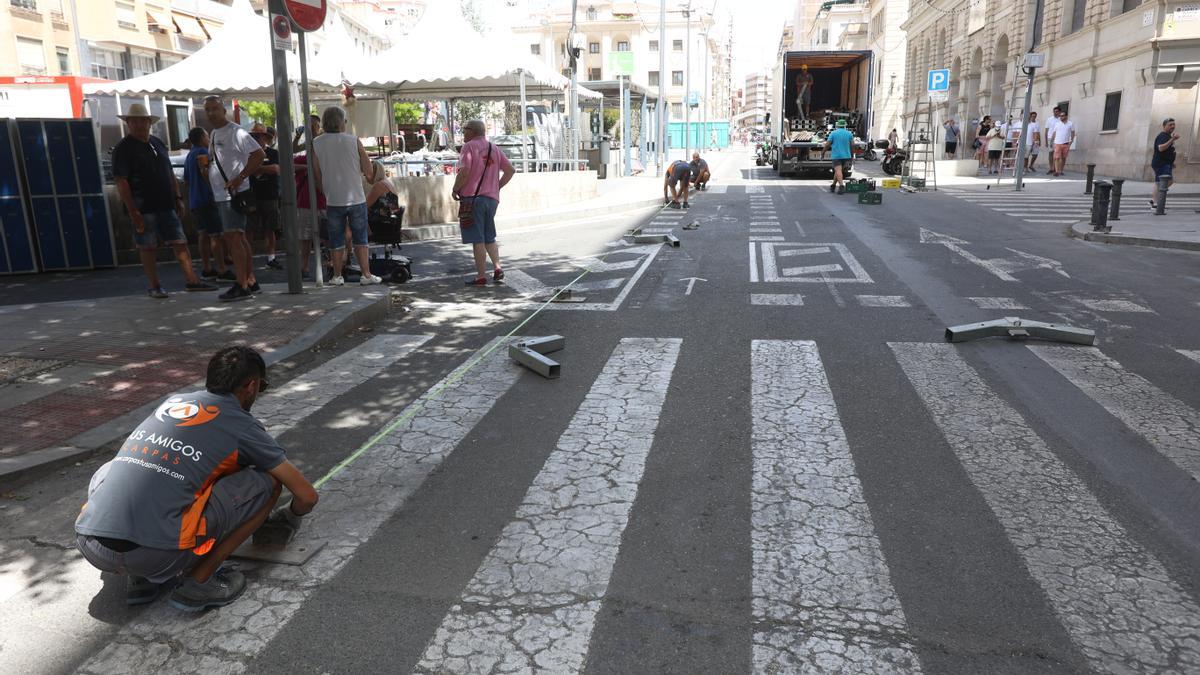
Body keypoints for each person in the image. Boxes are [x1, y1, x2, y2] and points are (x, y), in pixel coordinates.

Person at [75, 346, 319, 611]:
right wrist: (287, 518)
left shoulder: (174, 403)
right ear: (250, 385)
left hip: (91, 545)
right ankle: (199, 582)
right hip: (156, 554)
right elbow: (306, 495)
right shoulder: (241, 424)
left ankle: (141, 580)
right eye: (262, 387)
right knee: (268, 482)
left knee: (123, 469)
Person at [111, 104, 215, 299]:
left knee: (180, 241)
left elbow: (169, 173)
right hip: (142, 206)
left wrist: (177, 196)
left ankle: (192, 280)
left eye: (143, 120)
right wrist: (133, 210)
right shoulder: (123, 148)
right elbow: (121, 181)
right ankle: (155, 285)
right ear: (128, 123)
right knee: (147, 246)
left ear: (149, 123)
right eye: (134, 121)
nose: (139, 124)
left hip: (166, 203)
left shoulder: (158, 143)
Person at [311, 106, 383, 286]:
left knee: (335, 239)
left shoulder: (317, 143)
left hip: (333, 199)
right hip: (356, 197)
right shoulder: (353, 140)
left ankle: (337, 276)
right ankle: (366, 274)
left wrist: (325, 190)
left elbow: (317, 173)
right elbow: (368, 170)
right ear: (341, 122)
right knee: (360, 238)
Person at [204, 95, 263, 302]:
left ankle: (242, 284)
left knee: (234, 237)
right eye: (207, 110)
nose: (210, 113)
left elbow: (258, 154)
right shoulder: (213, 133)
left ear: (223, 110)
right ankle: (249, 279)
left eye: (214, 109)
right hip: (223, 193)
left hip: (233, 193)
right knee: (238, 236)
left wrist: (241, 177)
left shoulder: (235, 131)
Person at [452, 119, 515, 286]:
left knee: (477, 238)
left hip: (473, 199)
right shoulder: (493, 148)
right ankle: (497, 267)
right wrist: (496, 187)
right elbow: (510, 170)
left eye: (465, 129)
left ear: (472, 131)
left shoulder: (469, 147)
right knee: (489, 236)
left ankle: (481, 276)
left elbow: (464, 171)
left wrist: (455, 189)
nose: (463, 132)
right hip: (491, 199)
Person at [183, 128, 232, 283]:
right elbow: (208, 175)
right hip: (208, 199)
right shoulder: (204, 153)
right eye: (207, 135)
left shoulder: (190, 155)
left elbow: (186, 180)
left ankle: (207, 268)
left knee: (203, 235)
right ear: (203, 137)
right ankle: (222, 269)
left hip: (195, 200)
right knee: (215, 235)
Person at [248, 124, 282, 270]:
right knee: (249, 229)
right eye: (253, 136)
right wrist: (264, 169)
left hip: (270, 195)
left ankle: (271, 257)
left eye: (258, 136)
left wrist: (254, 168)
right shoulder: (247, 153)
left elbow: (276, 169)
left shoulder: (273, 153)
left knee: (270, 228)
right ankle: (247, 258)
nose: (255, 139)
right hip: (252, 195)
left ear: (265, 137)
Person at [293, 150, 325, 281]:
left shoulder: (327, 157)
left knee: (328, 237)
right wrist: (308, 167)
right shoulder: (303, 158)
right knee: (305, 238)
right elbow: (288, 165)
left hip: (324, 202)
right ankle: (304, 266)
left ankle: (335, 266)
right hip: (306, 203)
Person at [1150, 117, 1179, 211]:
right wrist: (1172, 139)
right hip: (1161, 163)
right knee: (1162, 182)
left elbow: (1168, 150)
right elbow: (1161, 148)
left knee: (1162, 182)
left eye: (1173, 124)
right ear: (1164, 126)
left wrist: (1171, 162)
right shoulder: (1162, 136)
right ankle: (1155, 203)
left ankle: (1154, 200)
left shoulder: (1167, 136)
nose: (1172, 126)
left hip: (1165, 163)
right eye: (1170, 125)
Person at [825, 118, 854, 194]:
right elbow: (852, 145)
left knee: (838, 171)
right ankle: (833, 185)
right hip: (846, 156)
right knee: (839, 171)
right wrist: (851, 156)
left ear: (837, 126)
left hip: (837, 156)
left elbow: (827, 144)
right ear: (845, 126)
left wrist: (823, 152)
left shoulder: (833, 133)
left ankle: (841, 186)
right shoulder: (849, 134)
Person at [1049, 110, 1075, 176]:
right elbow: (1054, 133)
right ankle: (1057, 171)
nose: (1061, 117)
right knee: (1057, 157)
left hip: (1066, 143)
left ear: (1066, 116)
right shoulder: (1057, 124)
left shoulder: (1070, 124)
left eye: (1062, 116)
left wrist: (1071, 141)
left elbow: (1072, 133)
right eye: (1060, 116)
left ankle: (1061, 170)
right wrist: (1051, 141)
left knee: (1063, 158)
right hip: (1057, 143)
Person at [1043, 106, 1062, 173]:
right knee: (1051, 153)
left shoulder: (1061, 120)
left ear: (1059, 112)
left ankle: (1056, 168)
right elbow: (1046, 130)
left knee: (1057, 154)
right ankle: (1051, 168)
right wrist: (1046, 141)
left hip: (1059, 138)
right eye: (1054, 111)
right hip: (1050, 138)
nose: (1055, 113)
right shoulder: (1049, 119)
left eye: (1056, 111)